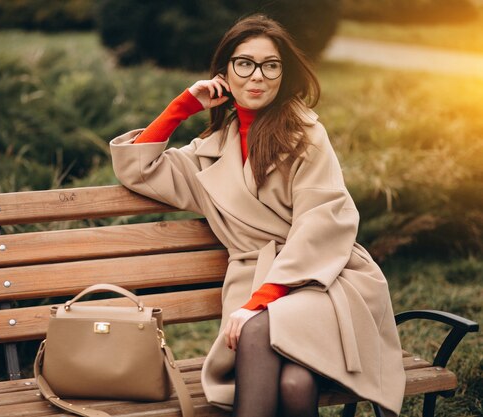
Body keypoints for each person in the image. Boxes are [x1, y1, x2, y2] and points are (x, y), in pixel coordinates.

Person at [110, 14, 405, 417]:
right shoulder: (210, 152)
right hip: (254, 284)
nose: (257, 77)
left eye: (271, 65)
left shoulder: (306, 134)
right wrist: (185, 105)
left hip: (321, 281)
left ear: (284, 74)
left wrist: (261, 300)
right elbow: (137, 169)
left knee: (255, 326)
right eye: (244, 63)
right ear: (225, 72)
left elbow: (322, 222)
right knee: (294, 383)